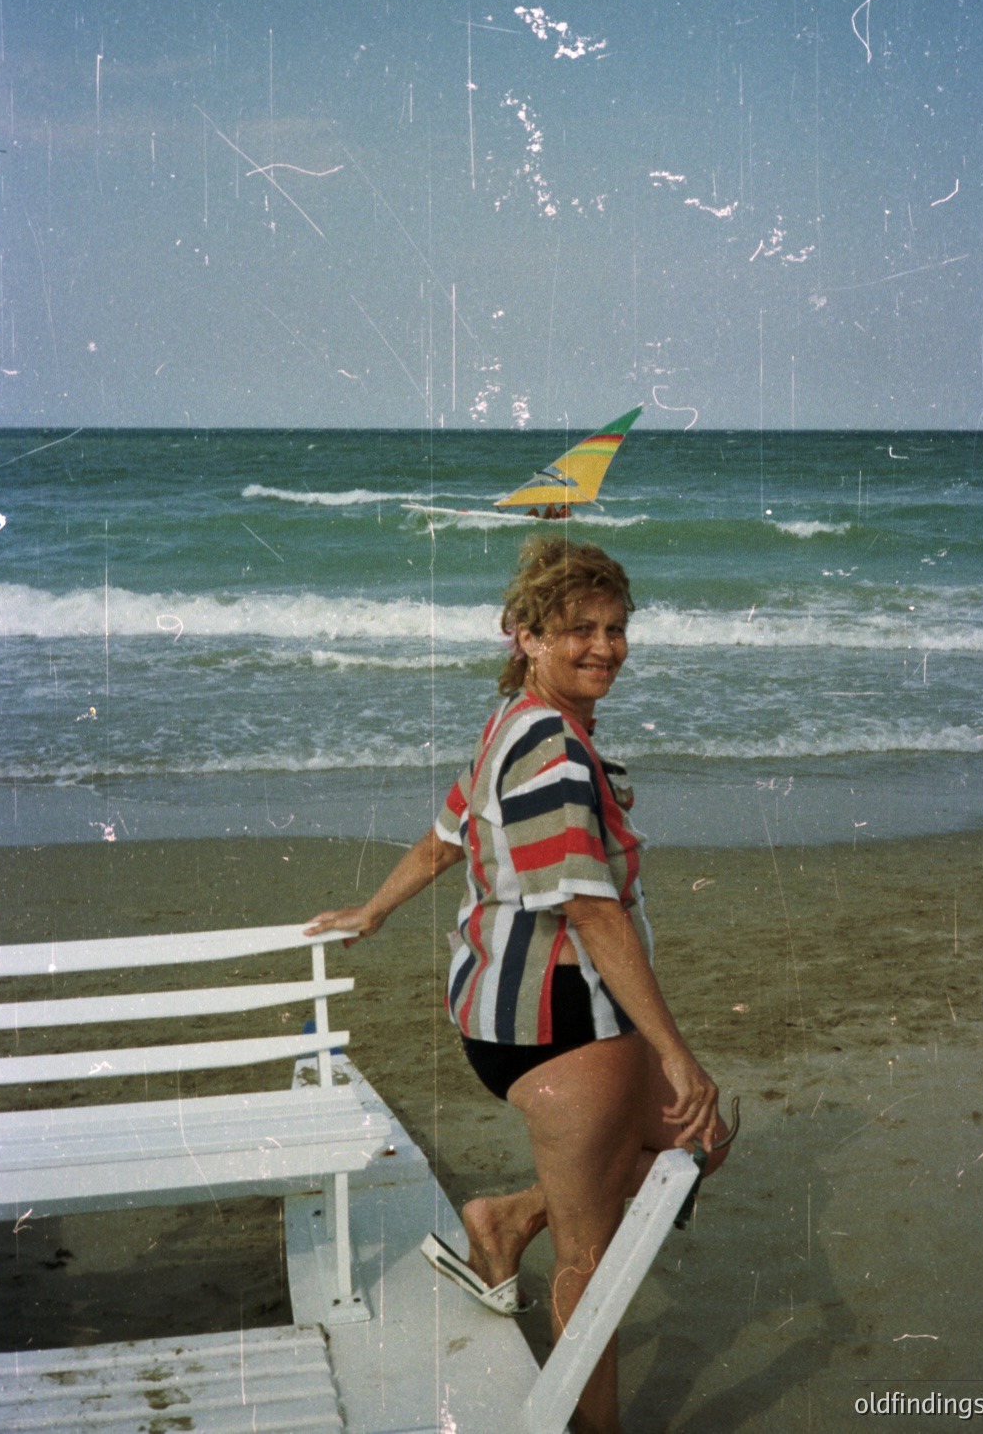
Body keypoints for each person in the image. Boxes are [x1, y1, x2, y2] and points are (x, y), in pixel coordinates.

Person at [305, 537, 733, 1434]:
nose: (605, 646)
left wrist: (374, 910)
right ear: (525, 636)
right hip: (558, 1023)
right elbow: (592, 915)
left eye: (616, 628)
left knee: (699, 1141)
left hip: (517, 1012)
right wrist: (677, 1054)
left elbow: (443, 836)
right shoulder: (552, 752)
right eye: (579, 628)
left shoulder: (518, 723)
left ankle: (504, 1218)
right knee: (593, 1258)